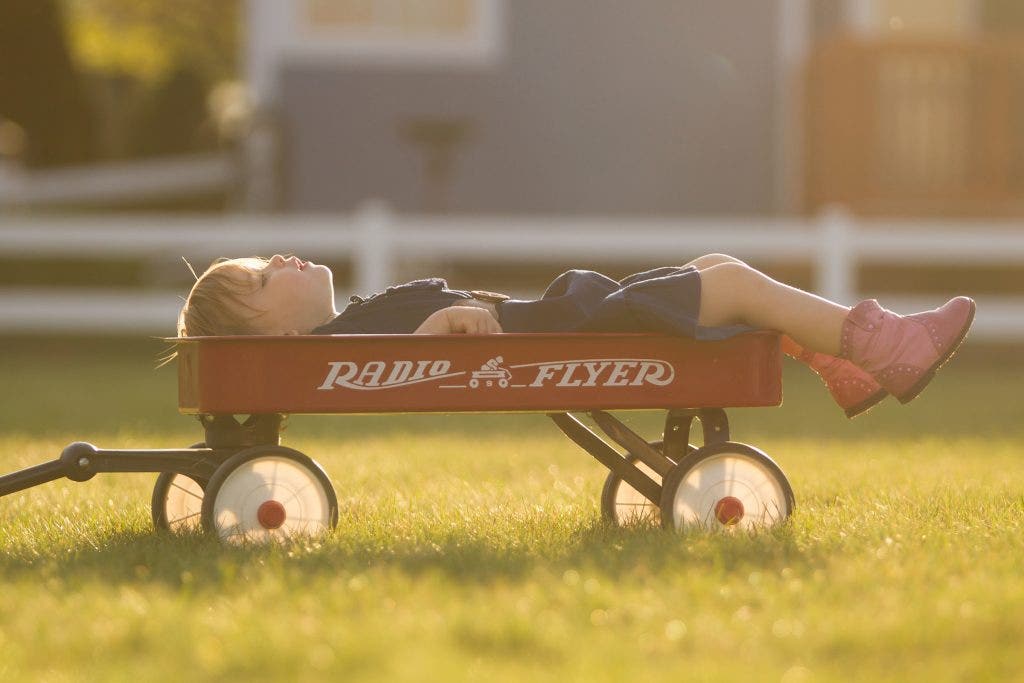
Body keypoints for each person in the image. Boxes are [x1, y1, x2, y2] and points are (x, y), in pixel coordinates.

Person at [176, 253, 975, 418]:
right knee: (727, 281)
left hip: (562, 321)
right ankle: (881, 346)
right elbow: (403, 359)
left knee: (717, 273)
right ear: (276, 330)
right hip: (565, 332)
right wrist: (439, 322)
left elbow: (385, 354)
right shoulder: (349, 344)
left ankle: (842, 360)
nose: (277, 258)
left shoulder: (349, 329)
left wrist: (435, 321)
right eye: (258, 278)